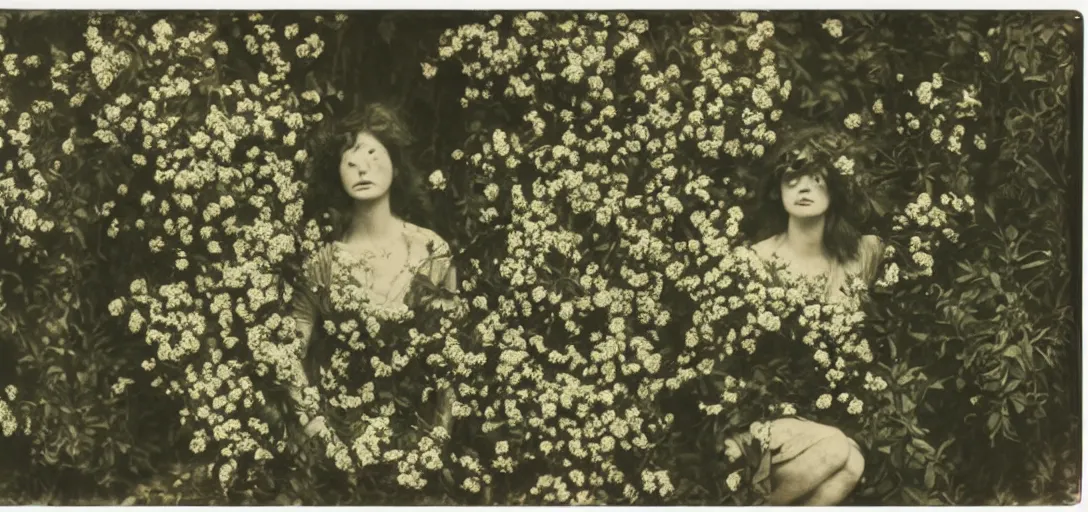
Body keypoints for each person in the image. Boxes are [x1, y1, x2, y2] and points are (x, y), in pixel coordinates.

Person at [286, 102, 457, 451]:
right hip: (341, 436)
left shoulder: (430, 251)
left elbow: (453, 352)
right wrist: (315, 426)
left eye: (372, 155)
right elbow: (290, 353)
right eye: (349, 161)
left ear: (395, 165)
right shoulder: (324, 262)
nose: (361, 168)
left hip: (418, 435)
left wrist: (439, 436)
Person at [726, 132, 884, 505]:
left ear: (836, 188)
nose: (804, 188)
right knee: (835, 449)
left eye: (817, 178)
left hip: (826, 413)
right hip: (767, 413)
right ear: (777, 189)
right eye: (791, 178)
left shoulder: (861, 256)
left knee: (852, 463)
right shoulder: (755, 261)